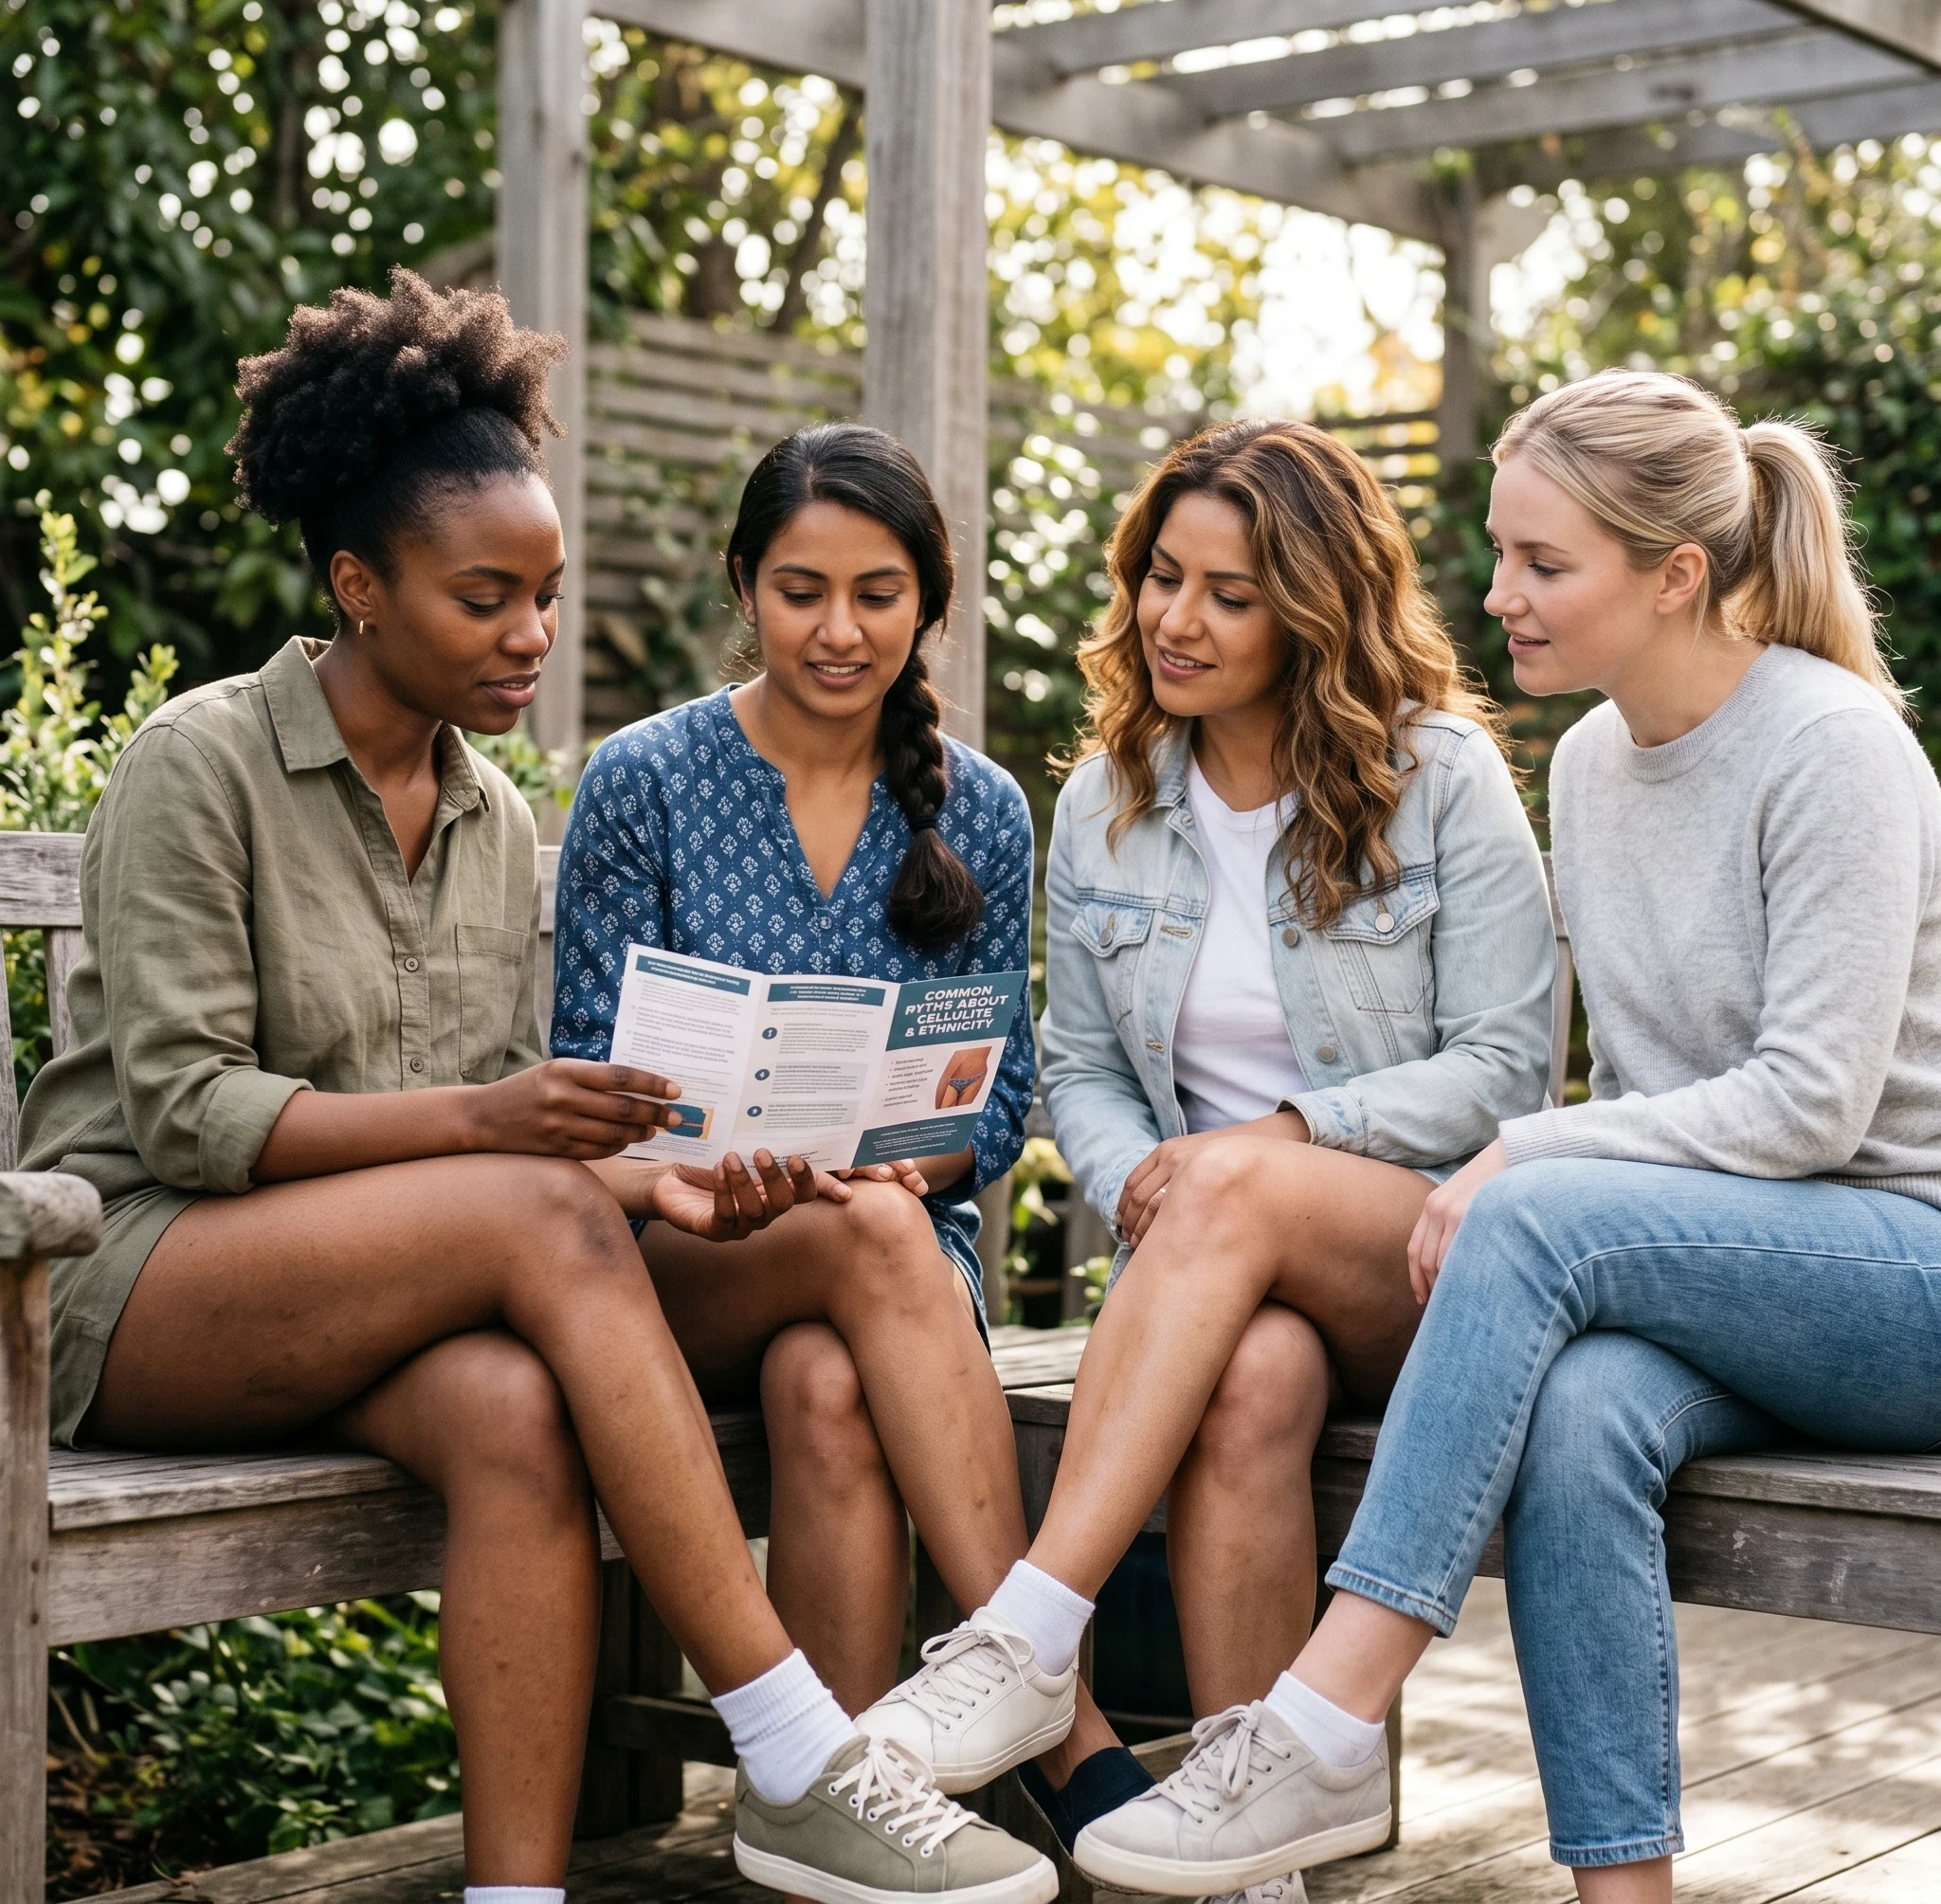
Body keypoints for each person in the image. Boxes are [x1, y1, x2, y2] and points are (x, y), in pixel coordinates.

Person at [23, 273, 1054, 1904]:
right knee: (539, 1207)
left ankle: (521, 1895)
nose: (532, 638)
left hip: (397, 1286)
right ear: (361, 587)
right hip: (136, 1282)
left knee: (524, 1411)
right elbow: (192, 1119)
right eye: (485, 598)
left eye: (549, 595)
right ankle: (794, 1745)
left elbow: (510, 1148)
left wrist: (674, 1186)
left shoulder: (493, 813)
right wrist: (512, 1137)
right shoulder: (200, 763)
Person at [1063, 369, 1941, 1904]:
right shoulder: (1595, 764)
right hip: (1715, 1277)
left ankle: (1323, 1718)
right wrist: (1551, 1155)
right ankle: (1626, 1895)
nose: (1497, 596)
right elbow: (1647, 1098)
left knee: (1530, 1206)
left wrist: (1523, 1157)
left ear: (1675, 576)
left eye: (1544, 564)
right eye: (1503, 552)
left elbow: (1810, 1105)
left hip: (1898, 1270)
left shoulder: (1834, 749)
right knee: (1586, 1417)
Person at [860, 417, 1556, 1882]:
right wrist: (1136, 1186)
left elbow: (1506, 1070)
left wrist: (1292, 1140)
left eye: (1229, 594)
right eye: (1162, 577)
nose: (1176, 619)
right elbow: (1089, 1075)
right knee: (1252, 1385)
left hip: (1433, 1271)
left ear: (1314, 609)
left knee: (1238, 1176)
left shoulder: (1439, 777)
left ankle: (1034, 1634)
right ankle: (1248, 1862)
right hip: (1219, 1282)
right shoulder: (1109, 806)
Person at [552, 420, 1138, 1827]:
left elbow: (991, 1113)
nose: (838, 629)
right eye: (801, 590)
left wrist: (886, 1158)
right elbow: (585, 1086)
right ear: (745, 587)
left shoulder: (983, 810)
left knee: (829, 1379)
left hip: (882, 1272)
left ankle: (836, 1810)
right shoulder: (644, 780)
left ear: (929, 602)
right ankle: (1057, 1716)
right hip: (672, 1266)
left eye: (878, 594)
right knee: (867, 1232)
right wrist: (718, 1168)